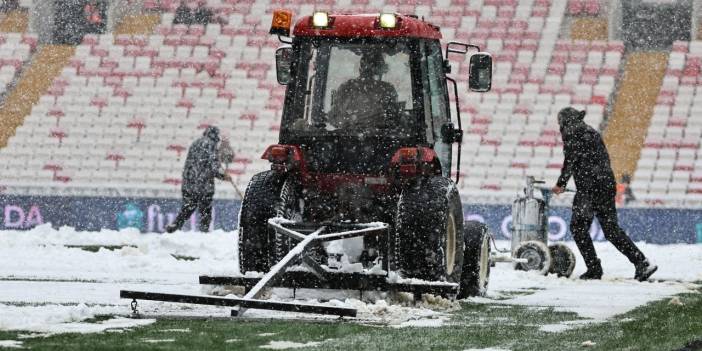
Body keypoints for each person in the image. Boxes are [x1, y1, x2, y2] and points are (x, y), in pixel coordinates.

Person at [552, 107, 657, 281]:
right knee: (611, 230)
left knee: (578, 228)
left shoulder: (573, 132)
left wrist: (560, 184)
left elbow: (570, 160)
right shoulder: (590, 131)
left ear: (565, 121)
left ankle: (594, 268)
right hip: (606, 185)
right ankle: (642, 262)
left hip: (589, 188)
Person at [166, 126, 231, 233]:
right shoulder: (211, 145)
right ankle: (204, 231)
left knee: (188, 207)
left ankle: (175, 225)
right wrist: (223, 176)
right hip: (204, 184)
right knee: (205, 208)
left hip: (189, 182)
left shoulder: (195, 143)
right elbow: (213, 167)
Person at [328, 51, 398, 130]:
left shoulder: (346, 88)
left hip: (349, 137)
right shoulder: (387, 89)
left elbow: (334, 119)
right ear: (381, 70)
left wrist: (351, 120)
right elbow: (395, 120)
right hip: (380, 138)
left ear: (360, 69)